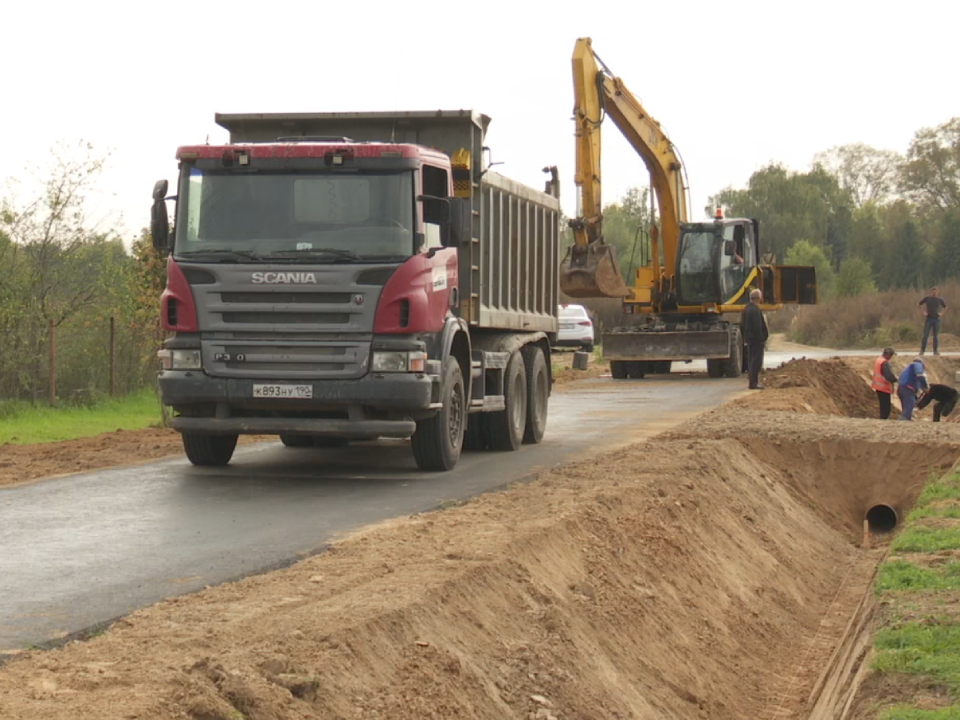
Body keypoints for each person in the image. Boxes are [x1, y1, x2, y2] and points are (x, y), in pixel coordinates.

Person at [742, 288, 768, 390]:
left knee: (751, 360)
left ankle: (752, 382)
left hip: (749, 338)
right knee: (756, 361)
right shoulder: (755, 309)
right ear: (758, 298)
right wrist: (761, 338)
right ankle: (754, 383)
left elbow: (743, 324)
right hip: (756, 339)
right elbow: (757, 326)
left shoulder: (746, 309)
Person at [871, 347, 898, 419]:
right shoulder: (884, 362)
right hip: (884, 387)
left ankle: (882, 419)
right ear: (888, 354)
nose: (891, 357)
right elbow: (888, 375)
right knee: (886, 407)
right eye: (891, 355)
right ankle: (883, 419)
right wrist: (895, 379)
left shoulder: (878, 360)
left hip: (878, 387)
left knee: (882, 405)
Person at [919, 287, 947, 356]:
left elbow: (945, 307)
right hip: (928, 319)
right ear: (931, 292)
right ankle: (922, 350)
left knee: (936, 336)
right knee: (925, 335)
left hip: (936, 319)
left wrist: (941, 313)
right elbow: (919, 304)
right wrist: (923, 312)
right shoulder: (927, 299)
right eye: (933, 292)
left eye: (935, 292)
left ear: (937, 293)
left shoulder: (939, 299)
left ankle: (935, 351)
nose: (934, 294)